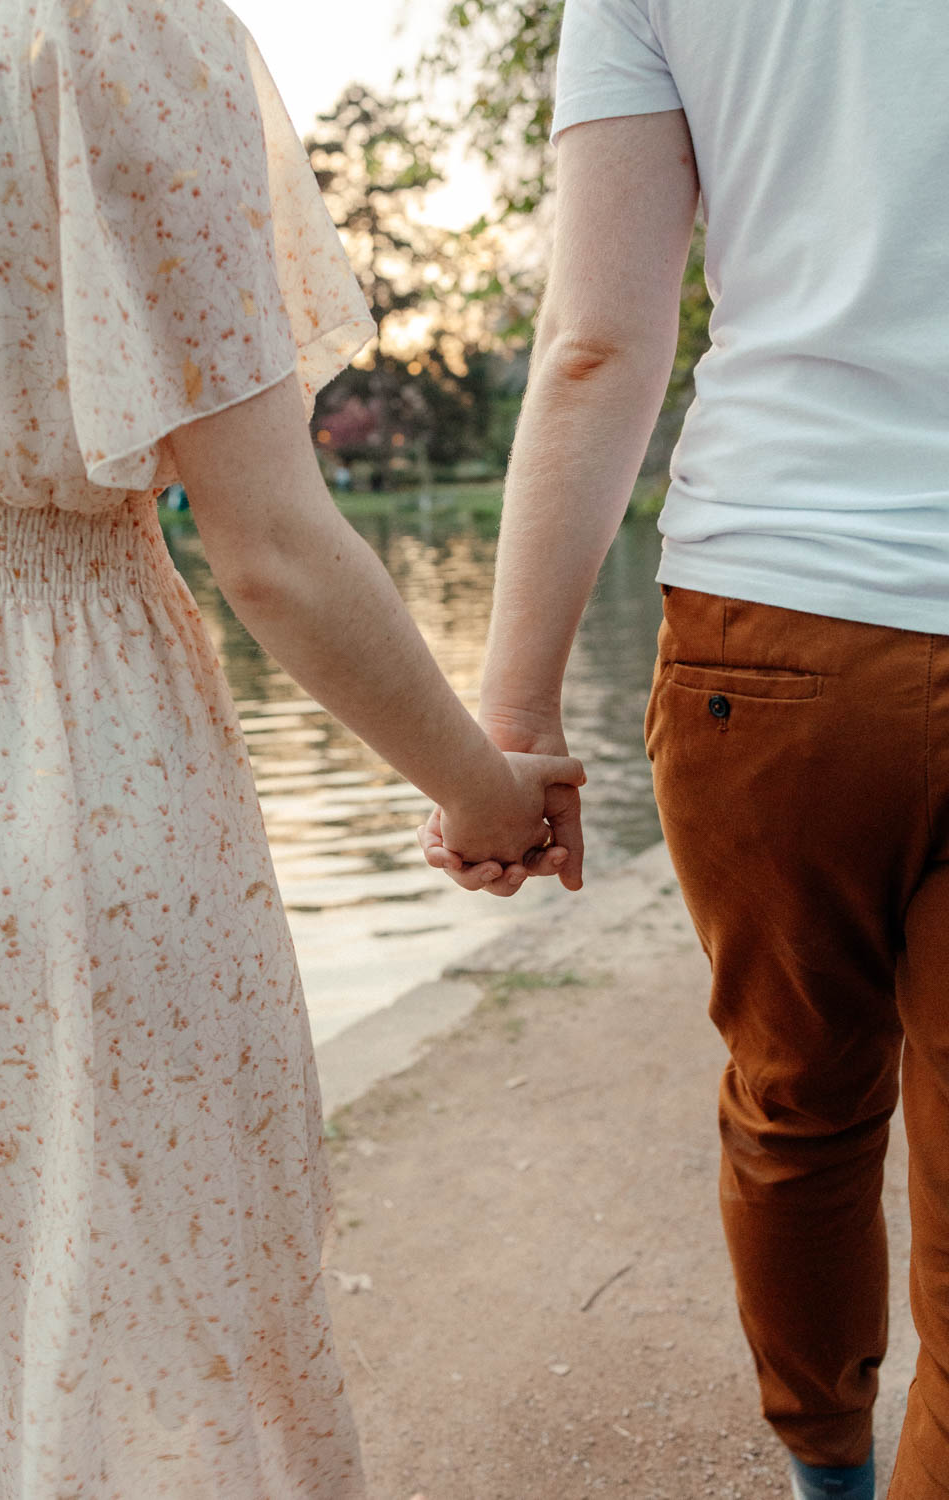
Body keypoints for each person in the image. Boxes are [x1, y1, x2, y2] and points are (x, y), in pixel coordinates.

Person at [0, 2, 585, 1495]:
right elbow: (272, 547)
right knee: (162, 1337)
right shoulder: (113, 25)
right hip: (67, 758)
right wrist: (484, 792)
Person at [422, 2, 949, 1496]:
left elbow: (598, 341)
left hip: (776, 630)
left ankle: (828, 1476)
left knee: (797, 1105)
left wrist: (508, 734)